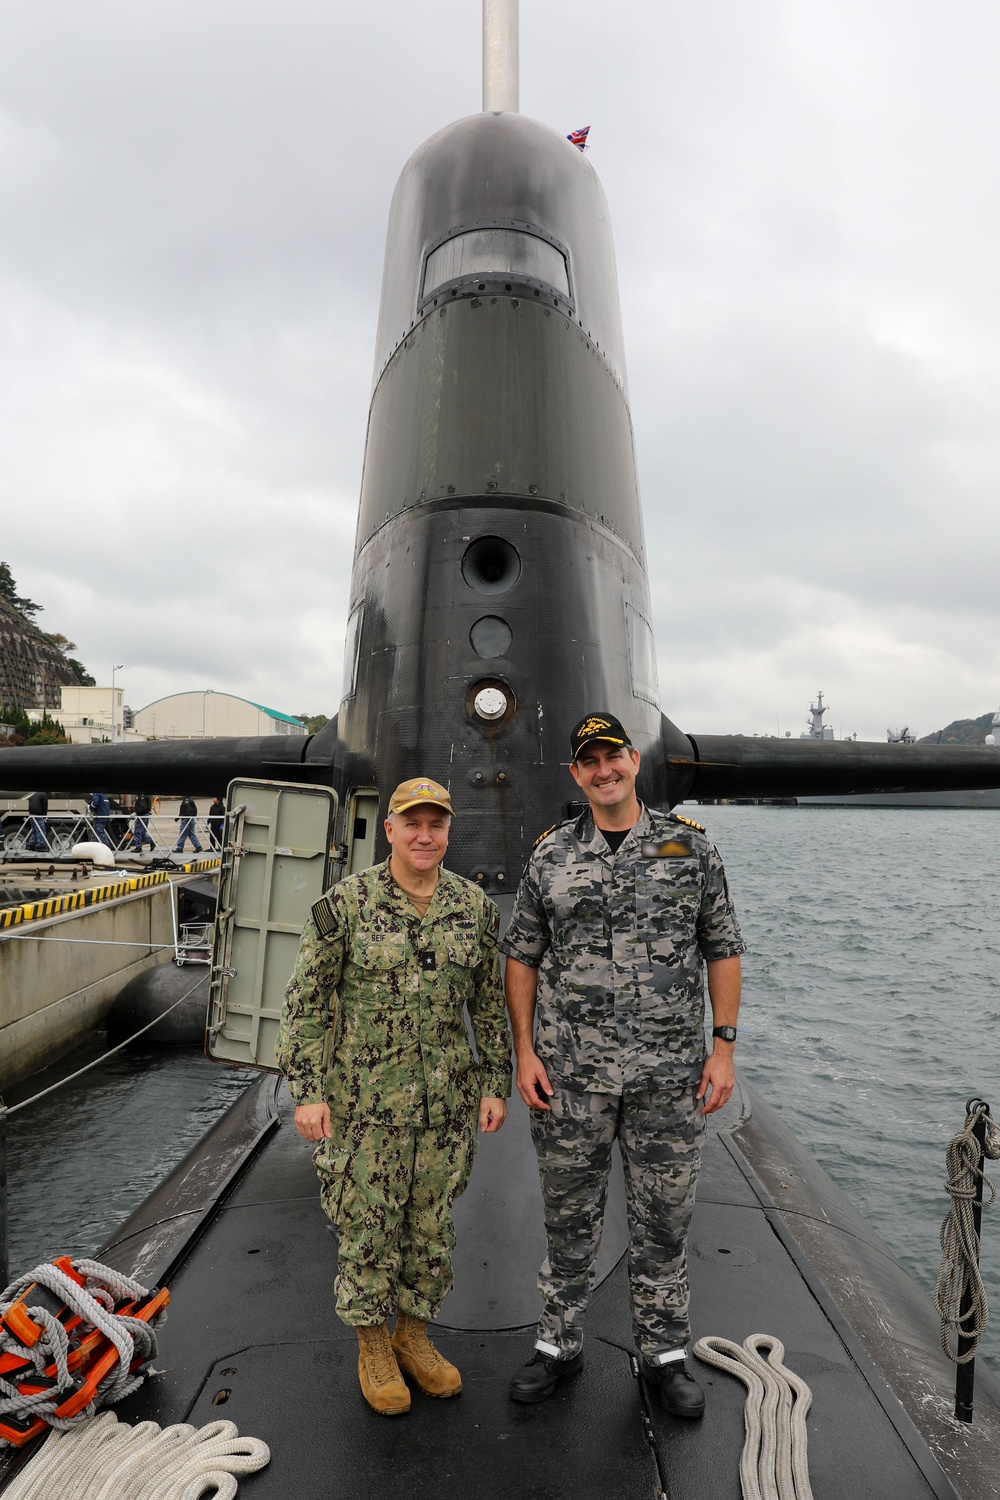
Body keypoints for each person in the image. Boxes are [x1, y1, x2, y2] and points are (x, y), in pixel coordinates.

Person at [501, 712, 745, 1419]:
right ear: (576, 774)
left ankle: (664, 1354)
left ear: (634, 762)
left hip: (668, 1079)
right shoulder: (550, 856)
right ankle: (559, 1342)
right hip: (573, 1079)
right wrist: (524, 1052)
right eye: (590, 762)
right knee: (568, 1220)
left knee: (663, 1223)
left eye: (614, 757)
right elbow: (522, 954)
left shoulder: (689, 848)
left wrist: (723, 1049)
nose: (604, 770)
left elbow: (722, 945)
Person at [276, 777, 511, 1417]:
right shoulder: (345, 906)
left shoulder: (473, 909)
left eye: (436, 824)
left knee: (430, 1231)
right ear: (390, 830)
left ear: (448, 830)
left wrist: (496, 1084)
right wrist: (308, 1092)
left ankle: (414, 1338)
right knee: (368, 1230)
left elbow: (489, 1007)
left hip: (446, 1108)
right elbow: (304, 1004)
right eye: (412, 823)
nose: (424, 835)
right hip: (364, 1108)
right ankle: (374, 1347)